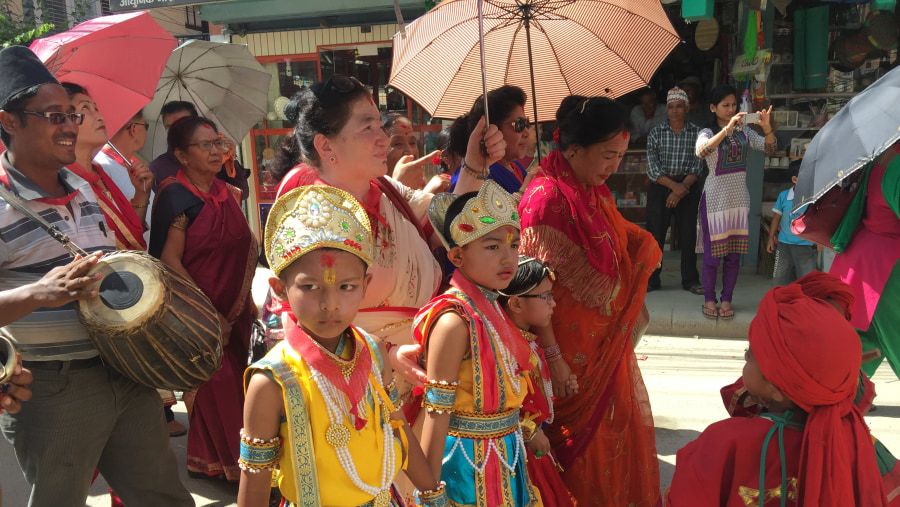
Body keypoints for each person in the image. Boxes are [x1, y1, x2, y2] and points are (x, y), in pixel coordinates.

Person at [0, 45, 193, 506]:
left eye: (72, 114)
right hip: (51, 387)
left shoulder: (84, 190)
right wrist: (38, 293)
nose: (70, 125)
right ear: (9, 121)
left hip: (124, 369)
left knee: (162, 496)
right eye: (53, 116)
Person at [238, 184, 444, 507]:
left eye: (346, 286)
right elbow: (254, 488)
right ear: (279, 288)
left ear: (366, 286)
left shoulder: (375, 352)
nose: (330, 304)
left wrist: (434, 496)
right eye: (309, 287)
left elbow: (398, 431)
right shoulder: (271, 382)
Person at [519, 95, 662, 506]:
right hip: (565, 356)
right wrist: (554, 356)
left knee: (610, 447)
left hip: (603, 348)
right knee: (573, 458)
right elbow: (535, 289)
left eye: (620, 155)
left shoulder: (593, 191)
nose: (614, 166)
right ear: (574, 148)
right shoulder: (547, 199)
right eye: (607, 155)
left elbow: (616, 240)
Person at [662, 275, 890, 506]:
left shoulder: (723, 443)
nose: (745, 359)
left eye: (749, 355)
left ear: (776, 390)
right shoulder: (861, 448)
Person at [415, 180, 540, 506]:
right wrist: (430, 494)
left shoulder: (492, 308)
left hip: (507, 455)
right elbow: (436, 412)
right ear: (457, 255)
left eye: (513, 246)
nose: (508, 258)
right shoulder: (454, 321)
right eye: (493, 246)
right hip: (466, 467)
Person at [149, 116, 256, 482]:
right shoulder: (175, 197)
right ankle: (244, 471)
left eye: (218, 143)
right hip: (199, 312)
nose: (216, 151)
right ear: (181, 154)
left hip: (237, 306)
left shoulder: (228, 192)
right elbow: (168, 260)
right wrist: (208, 314)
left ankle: (207, 459)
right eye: (204, 145)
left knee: (242, 381)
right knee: (219, 385)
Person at [499, 255, 577, 507]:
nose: (553, 304)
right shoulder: (504, 348)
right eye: (545, 297)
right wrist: (528, 430)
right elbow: (496, 401)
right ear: (516, 304)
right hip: (514, 451)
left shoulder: (526, 340)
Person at [695, 84, 776, 320]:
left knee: (733, 256)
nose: (731, 110)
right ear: (713, 108)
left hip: (739, 200)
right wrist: (726, 131)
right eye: (725, 105)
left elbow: (770, 148)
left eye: (734, 105)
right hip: (714, 202)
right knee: (712, 257)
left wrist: (767, 127)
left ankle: (727, 298)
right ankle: (710, 298)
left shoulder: (745, 132)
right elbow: (700, 152)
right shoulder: (708, 132)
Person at [830, 141, 900, 380]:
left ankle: (843, 397)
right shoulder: (898, 164)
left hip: (864, 262)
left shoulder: (885, 154)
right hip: (887, 270)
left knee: (865, 340)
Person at [61, 82, 152, 252]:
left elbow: (129, 236)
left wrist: (141, 195)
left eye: (96, 108)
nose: (100, 117)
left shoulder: (99, 173)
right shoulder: (63, 184)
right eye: (85, 108)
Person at [646, 86, 703, 295]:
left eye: (679, 106)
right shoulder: (656, 132)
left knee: (688, 236)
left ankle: (690, 280)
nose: (675, 110)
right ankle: (652, 279)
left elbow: (698, 165)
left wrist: (681, 189)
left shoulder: (697, 132)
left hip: (687, 186)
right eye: (671, 107)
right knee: (655, 235)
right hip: (661, 187)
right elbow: (652, 168)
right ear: (666, 110)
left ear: (686, 108)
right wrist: (674, 188)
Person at [148, 100, 250, 199]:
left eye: (182, 125)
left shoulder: (213, 153)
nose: (175, 131)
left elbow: (242, 194)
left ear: (196, 124)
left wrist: (230, 159)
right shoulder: (157, 169)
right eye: (170, 127)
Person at [449, 85, 534, 195]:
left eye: (526, 123)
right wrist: (524, 191)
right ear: (491, 129)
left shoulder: (515, 167)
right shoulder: (482, 173)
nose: (526, 133)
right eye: (520, 124)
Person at [767, 163, 817, 286]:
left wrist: (819, 242)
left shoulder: (813, 198)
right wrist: (771, 238)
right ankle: (779, 303)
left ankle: (805, 304)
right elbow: (776, 217)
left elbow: (818, 220)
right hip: (784, 245)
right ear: (794, 179)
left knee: (807, 280)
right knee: (779, 279)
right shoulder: (784, 196)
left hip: (806, 245)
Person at [382, 112, 449, 193]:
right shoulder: (373, 193)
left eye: (412, 143)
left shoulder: (421, 184)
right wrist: (427, 194)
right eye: (398, 144)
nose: (410, 152)